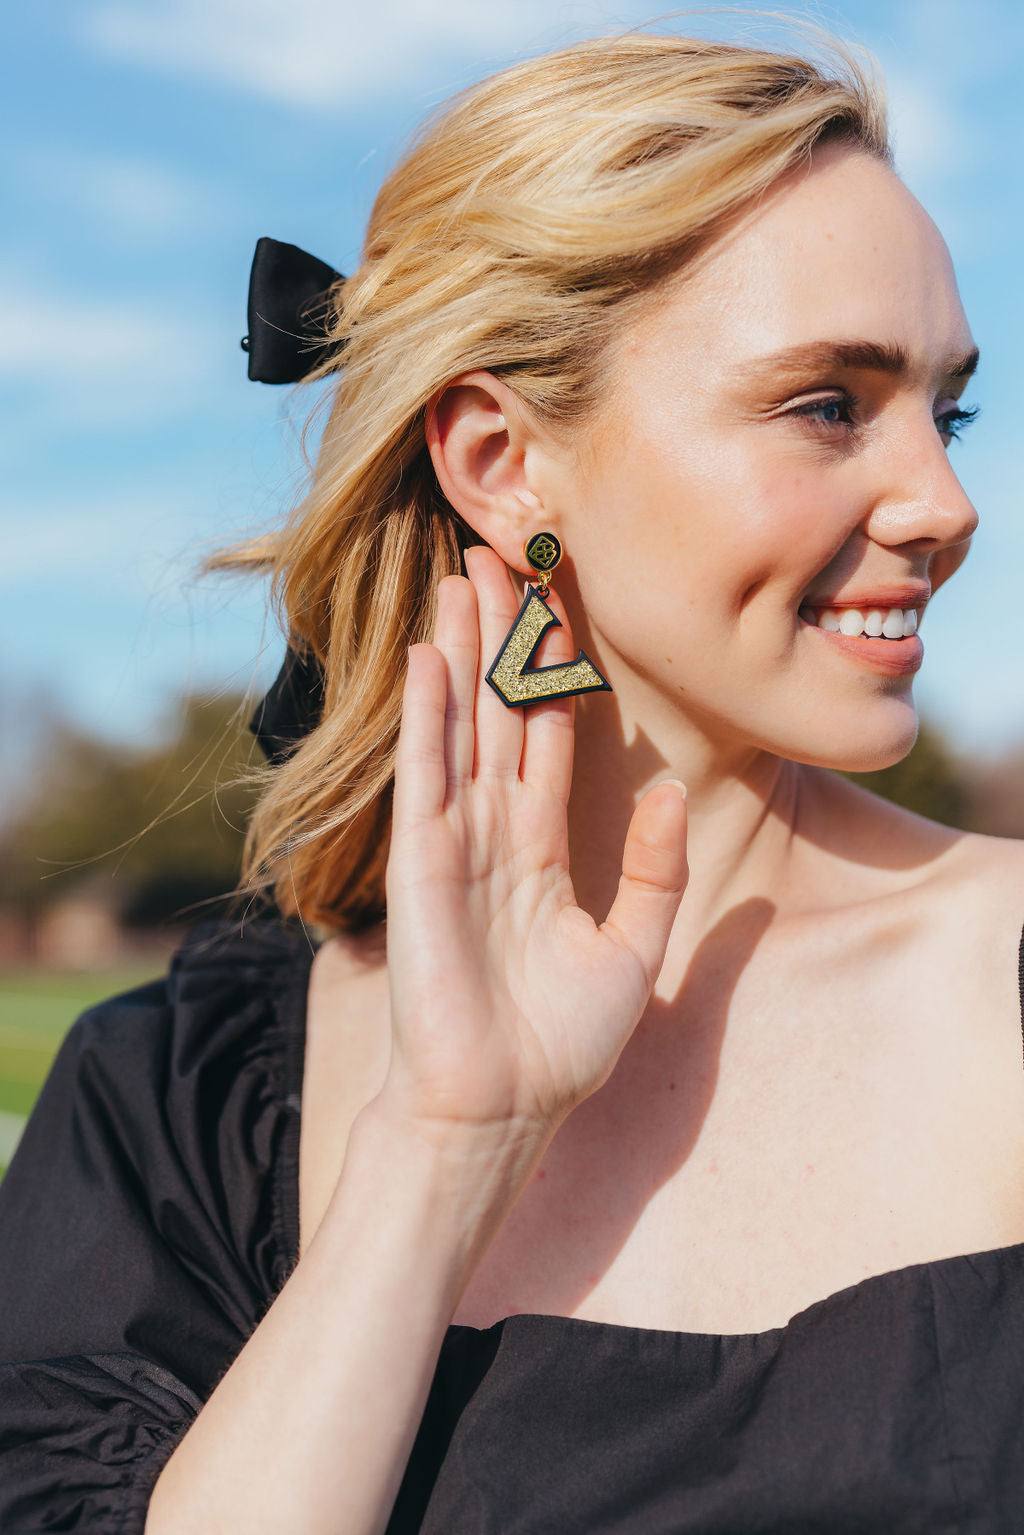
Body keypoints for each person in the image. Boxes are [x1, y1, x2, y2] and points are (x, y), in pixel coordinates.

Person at [1, 25, 1021, 1534]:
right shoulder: (179, 1106)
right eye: (828, 405)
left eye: (948, 409)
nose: (946, 502)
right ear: (501, 459)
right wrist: (442, 1150)